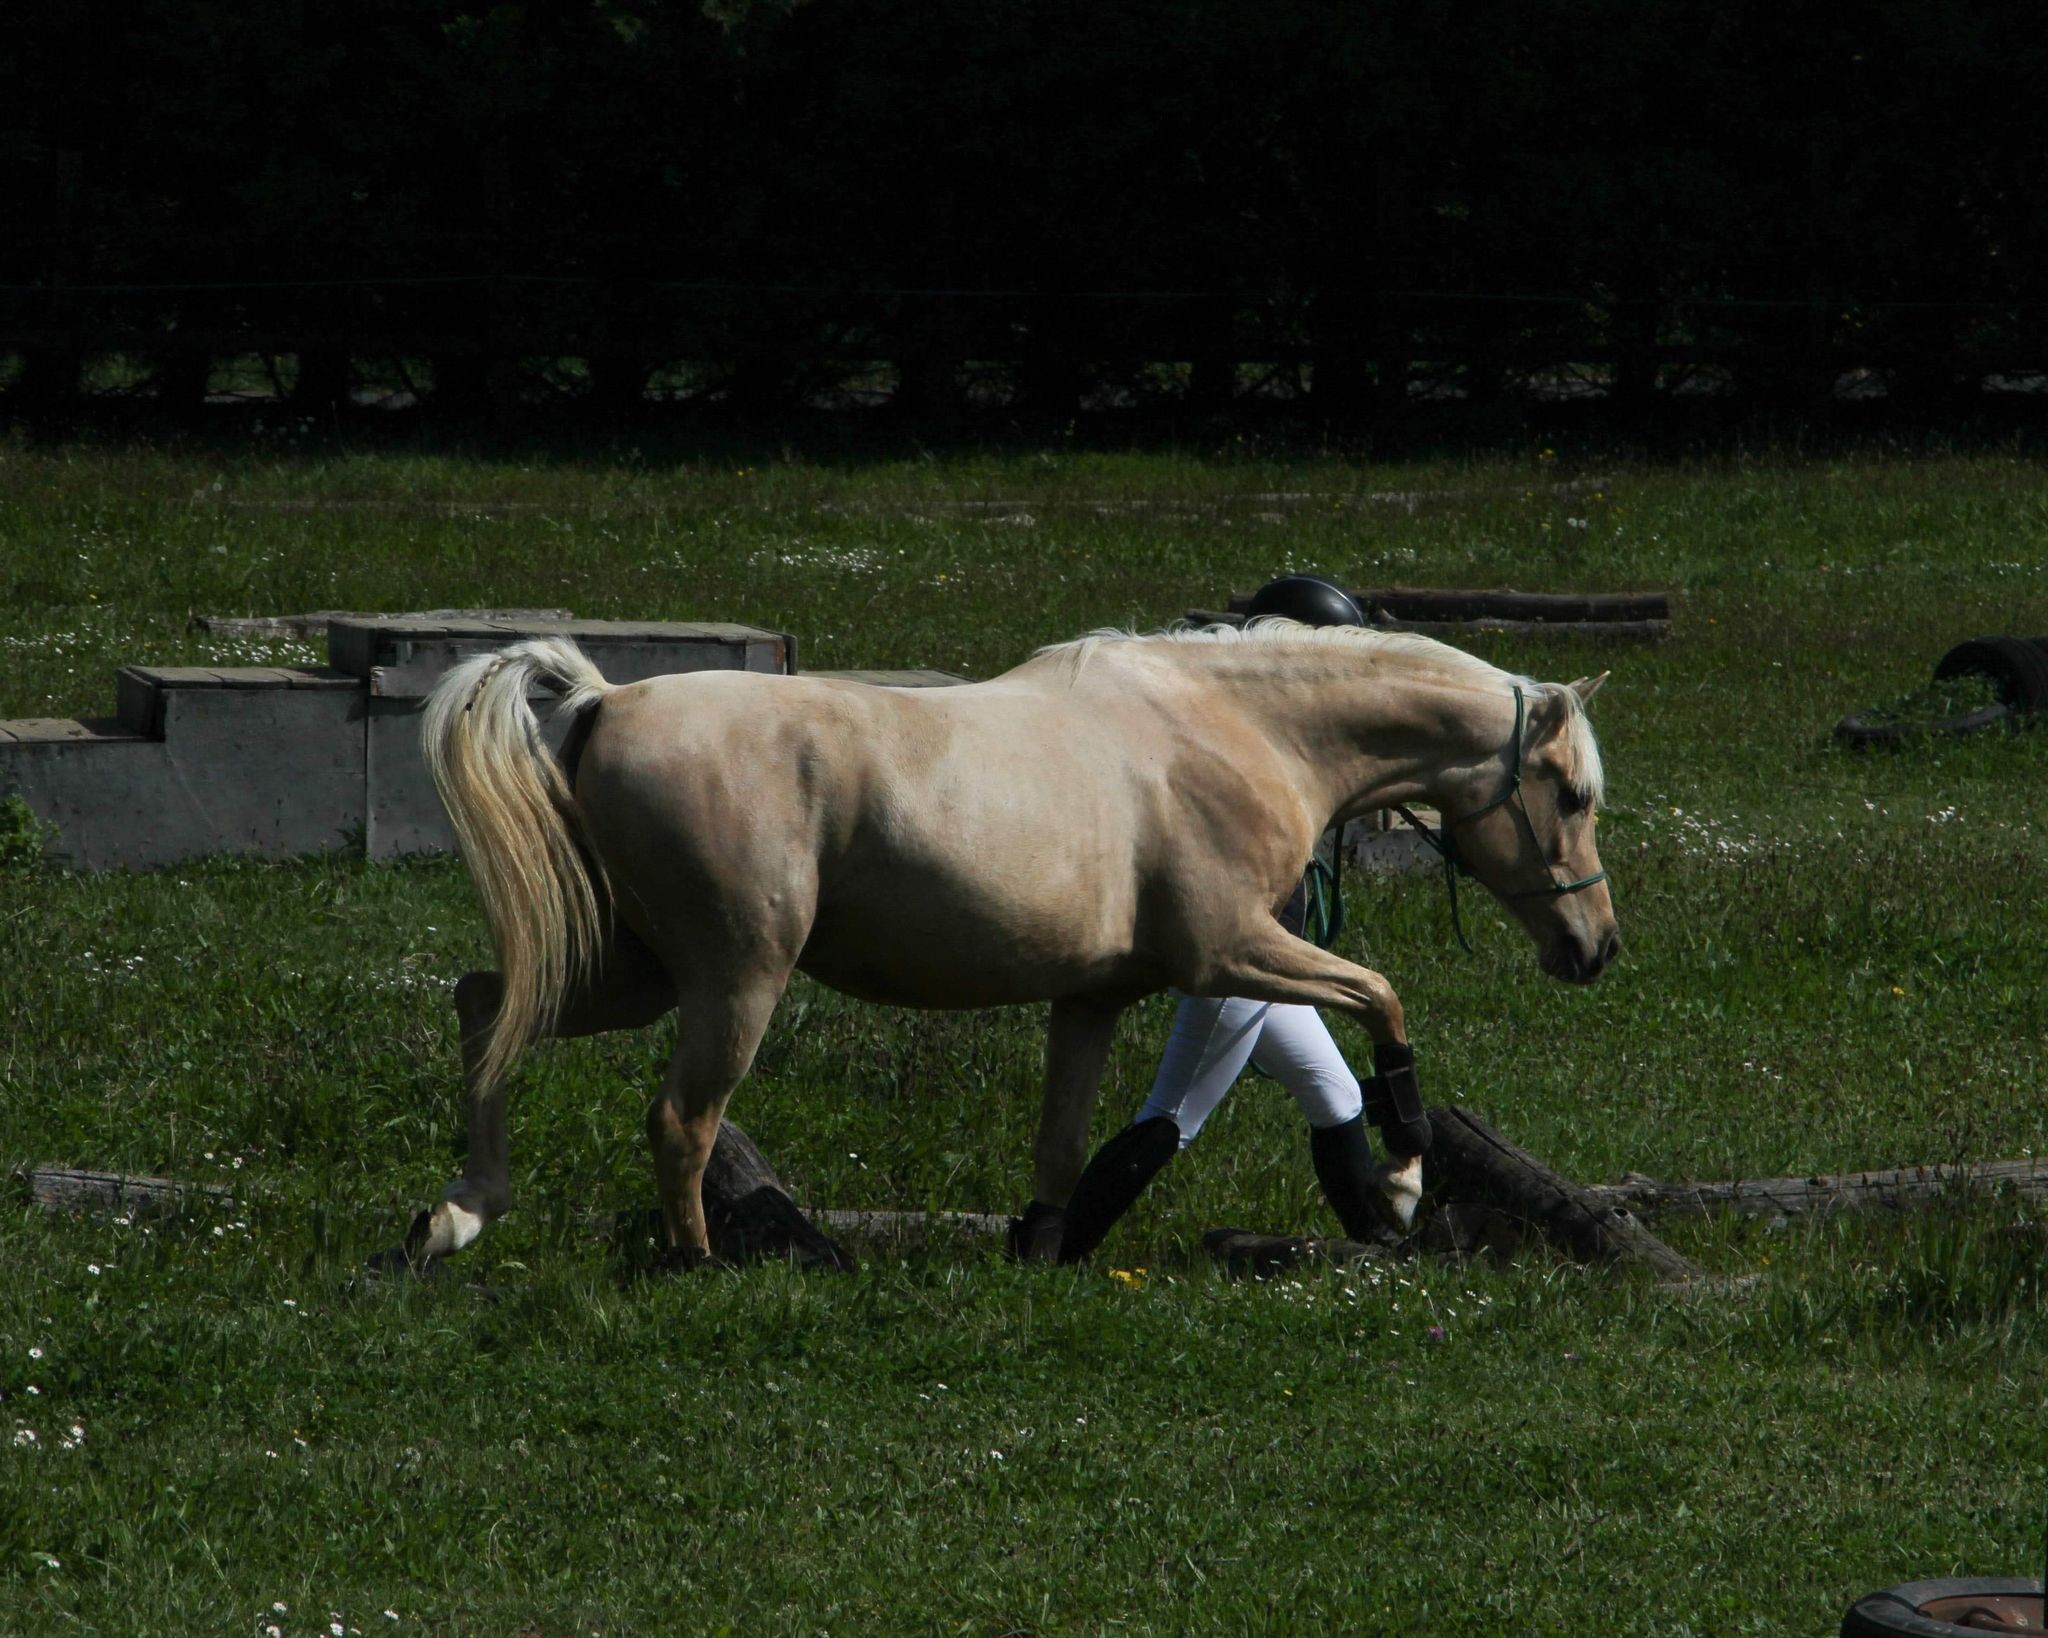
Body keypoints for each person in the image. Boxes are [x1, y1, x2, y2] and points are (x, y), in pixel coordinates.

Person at [1046, 573, 1431, 1265]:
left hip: (1269, 958)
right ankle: (1057, 1250)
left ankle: (1376, 1244)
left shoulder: (1277, 741)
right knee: (1172, 1116)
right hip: (1241, 959)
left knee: (1335, 1093)